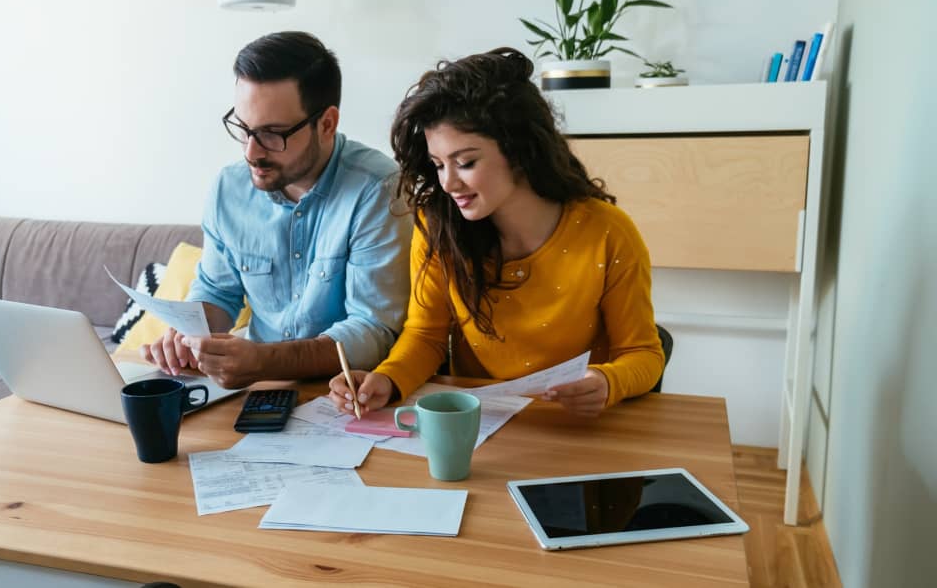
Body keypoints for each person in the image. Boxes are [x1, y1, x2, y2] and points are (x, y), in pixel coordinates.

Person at [328, 47, 663, 420]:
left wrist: (607, 381)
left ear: (518, 150)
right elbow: (426, 336)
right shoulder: (439, 225)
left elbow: (644, 355)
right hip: (479, 427)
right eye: (438, 165)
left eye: (466, 162)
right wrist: (387, 379)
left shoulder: (608, 232)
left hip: (579, 430)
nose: (449, 182)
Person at [142, 32, 411, 389]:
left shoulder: (378, 189)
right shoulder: (229, 188)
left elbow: (374, 328)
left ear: (327, 124)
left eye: (273, 134)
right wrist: (188, 337)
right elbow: (217, 291)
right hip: (256, 389)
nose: (251, 152)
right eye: (243, 128)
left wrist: (264, 362)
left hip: (347, 394)